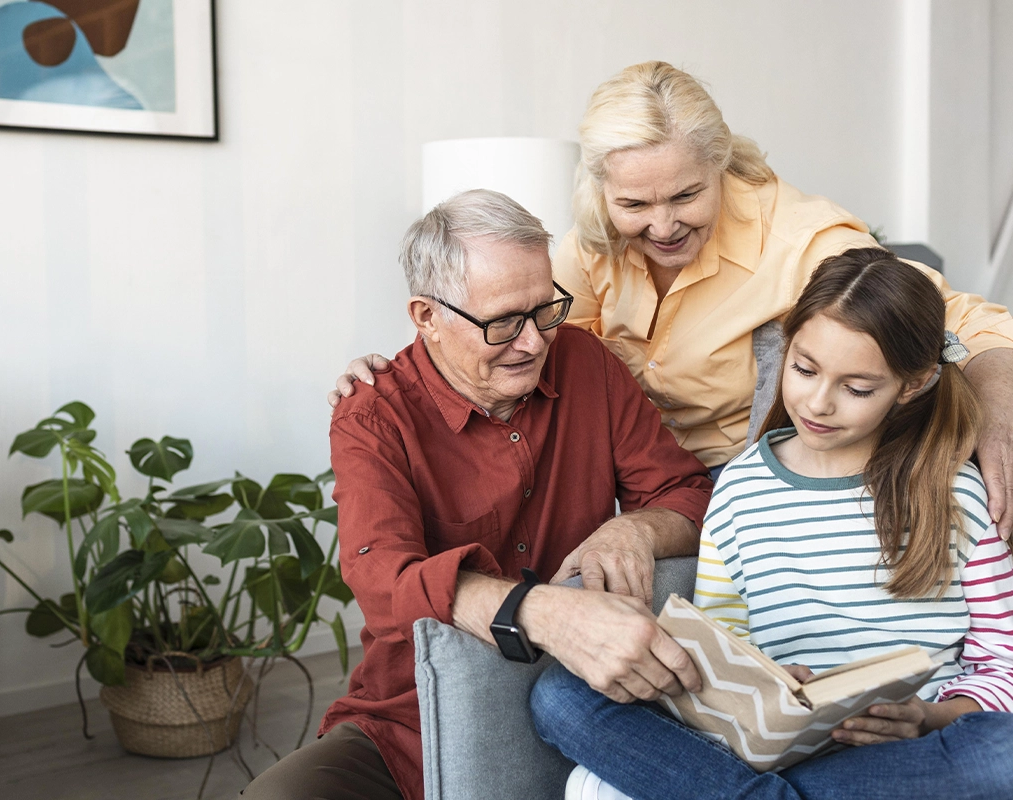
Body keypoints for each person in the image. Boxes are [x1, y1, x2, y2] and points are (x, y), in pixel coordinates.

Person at [330, 63, 1013, 602]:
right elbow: (502, 336)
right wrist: (409, 367)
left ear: (721, 166)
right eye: (635, 202)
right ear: (602, 192)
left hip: (749, 501)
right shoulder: (586, 249)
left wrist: (1001, 422)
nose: (663, 225)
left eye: (686, 196)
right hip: (639, 492)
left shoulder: (798, 238)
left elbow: (972, 325)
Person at [531, 247, 1013, 800]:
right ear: (787, 349)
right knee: (561, 695)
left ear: (912, 385)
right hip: (773, 749)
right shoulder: (739, 490)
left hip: (901, 758)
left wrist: (925, 717)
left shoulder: (954, 490)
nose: (818, 402)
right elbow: (722, 648)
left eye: (856, 389)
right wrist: (763, 685)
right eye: (804, 369)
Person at [241, 190, 715, 800]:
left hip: (590, 688)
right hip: (415, 711)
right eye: (502, 323)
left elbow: (689, 493)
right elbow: (382, 578)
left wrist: (637, 528)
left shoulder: (584, 362)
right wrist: (539, 611)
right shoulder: (373, 415)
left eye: (545, 310)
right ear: (427, 316)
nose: (533, 343)